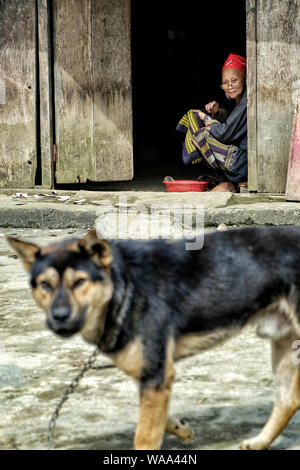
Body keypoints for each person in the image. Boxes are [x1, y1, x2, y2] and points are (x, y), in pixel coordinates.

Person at [176, 53, 247, 192]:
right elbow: (232, 121)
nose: (230, 85)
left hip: (243, 163)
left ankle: (235, 179)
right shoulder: (239, 102)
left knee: (200, 134)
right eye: (226, 83)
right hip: (243, 161)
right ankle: (229, 181)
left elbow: (225, 133)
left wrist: (205, 118)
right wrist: (217, 113)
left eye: (235, 80)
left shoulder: (246, 102)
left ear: (244, 80)